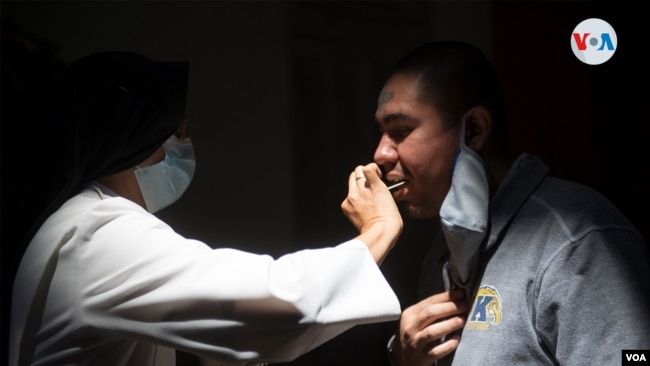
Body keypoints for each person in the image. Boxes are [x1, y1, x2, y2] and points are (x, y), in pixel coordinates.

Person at [4, 51, 404, 366]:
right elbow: (281, 301)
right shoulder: (96, 233)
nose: (185, 140)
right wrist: (378, 227)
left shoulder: (83, 223)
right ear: (133, 136)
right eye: (176, 130)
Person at [372, 41, 650, 365]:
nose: (380, 153)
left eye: (401, 131)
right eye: (381, 132)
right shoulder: (442, 250)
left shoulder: (578, 240)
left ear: (474, 129)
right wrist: (400, 357)